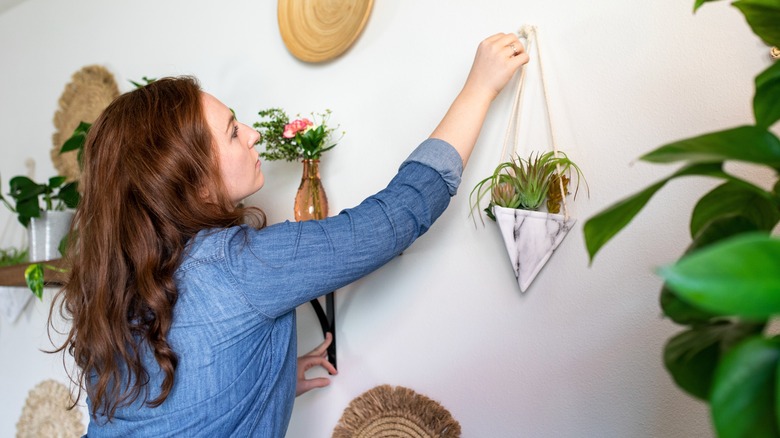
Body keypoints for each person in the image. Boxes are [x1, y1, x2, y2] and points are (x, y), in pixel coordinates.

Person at [51, 32, 528, 437]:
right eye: (234, 131)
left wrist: (266, 377)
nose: (254, 134)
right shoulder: (240, 266)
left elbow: (174, 384)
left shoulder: (122, 279)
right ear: (193, 179)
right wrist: (480, 88)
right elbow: (400, 213)